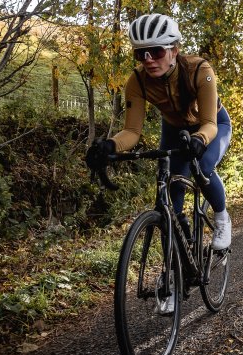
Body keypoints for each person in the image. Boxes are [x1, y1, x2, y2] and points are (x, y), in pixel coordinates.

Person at [85, 13, 233, 251]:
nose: (149, 60)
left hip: (212, 124)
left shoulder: (199, 70)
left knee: (204, 166)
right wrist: (110, 145)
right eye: (141, 54)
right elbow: (132, 131)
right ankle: (176, 250)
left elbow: (210, 124)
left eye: (156, 51)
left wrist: (199, 138)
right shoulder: (137, 81)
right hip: (174, 129)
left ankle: (222, 218)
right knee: (170, 189)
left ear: (174, 50)